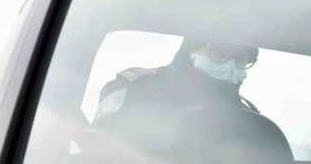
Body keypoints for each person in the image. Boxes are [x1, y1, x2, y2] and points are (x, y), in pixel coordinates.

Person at [93, 37, 260, 130]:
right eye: (218, 52)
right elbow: (101, 146)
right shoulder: (137, 89)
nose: (230, 65)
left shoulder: (250, 118)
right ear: (190, 50)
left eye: (241, 59)